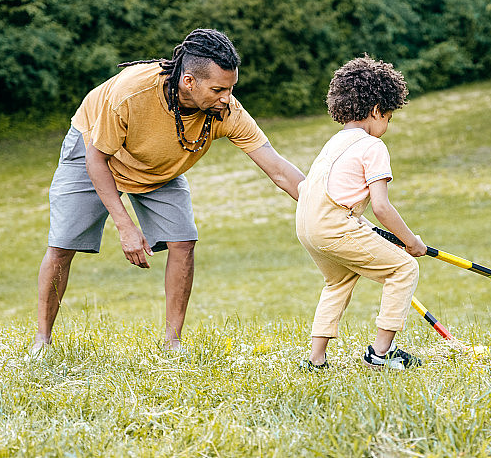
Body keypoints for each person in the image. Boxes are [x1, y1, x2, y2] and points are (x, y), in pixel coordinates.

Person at [32, 28, 305, 352]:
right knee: (63, 245)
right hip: (95, 151)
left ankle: (172, 343)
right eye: (218, 89)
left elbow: (277, 169)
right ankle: (42, 341)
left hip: (158, 166)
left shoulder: (225, 111)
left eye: (231, 89)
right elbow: (96, 159)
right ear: (188, 81)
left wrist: (325, 204)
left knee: (183, 240)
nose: (227, 98)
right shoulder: (131, 94)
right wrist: (125, 226)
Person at [296, 55, 427, 371]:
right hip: (334, 226)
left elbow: (333, 194)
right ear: (376, 111)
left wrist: (359, 225)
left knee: (338, 281)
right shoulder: (372, 146)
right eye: (389, 116)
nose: (387, 124)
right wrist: (410, 242)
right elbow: (381, 206)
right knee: (404, 270)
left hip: (308, 225)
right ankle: (380, 355)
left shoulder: (336, 142)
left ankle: (316, 359)